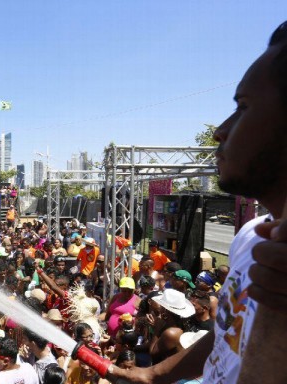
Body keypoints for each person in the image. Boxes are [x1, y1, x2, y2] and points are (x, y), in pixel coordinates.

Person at [111, 23, 287, 381]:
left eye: (242, 106)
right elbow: (225, 336)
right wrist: (153, 375)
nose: (221, 129)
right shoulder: (250, 236)